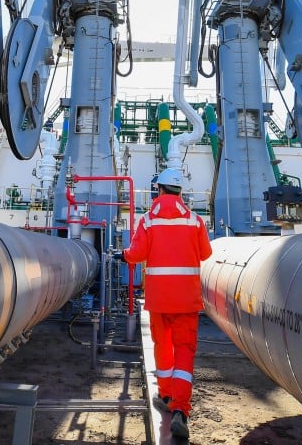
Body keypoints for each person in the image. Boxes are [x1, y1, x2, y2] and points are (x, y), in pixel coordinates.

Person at [122, 167, 212, 440]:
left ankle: (166, 395)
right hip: (187, 300)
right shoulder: (195, 221)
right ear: (180, 192)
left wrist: (124, 255)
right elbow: (206, 254)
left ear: (158, 190)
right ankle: (181, 410)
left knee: (163, 348)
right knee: (184, 351)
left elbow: (136, 255)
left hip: (159, 300)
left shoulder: (148, 221)